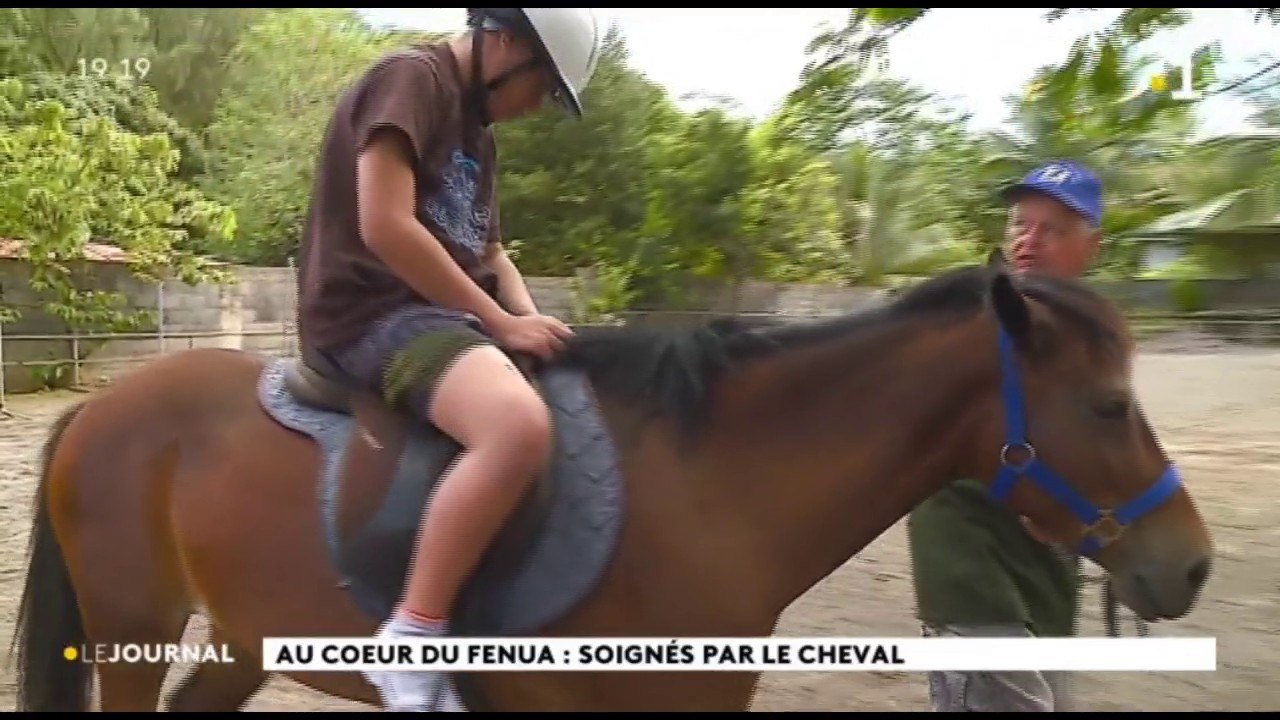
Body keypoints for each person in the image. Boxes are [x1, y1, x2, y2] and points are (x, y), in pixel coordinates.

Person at [294, 8, 602, 711]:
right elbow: (385, 224)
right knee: (516, 426)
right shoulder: (412, 79)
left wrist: (527, 319)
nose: (536, 106)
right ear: (507, 42)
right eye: (542, 85)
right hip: (372, 312)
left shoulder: (479, 137)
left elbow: (490, 253)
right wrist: (498, 322)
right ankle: (413, 638)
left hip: (441, 316)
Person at [907, 160, 1104, 712]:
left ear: (1092, 247)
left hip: (1049, 581)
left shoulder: (1083, 337)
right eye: (1021, 224)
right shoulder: (965, 315)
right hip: (971, 571)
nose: (1029, 240)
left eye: (1053, 229)